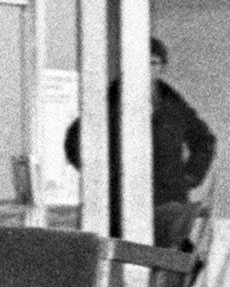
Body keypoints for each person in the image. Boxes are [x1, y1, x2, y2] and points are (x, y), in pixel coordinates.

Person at [61, 40, 221, 245]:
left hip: (169, 204)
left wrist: (191, 175)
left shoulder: (173, 105)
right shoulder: (109, 102)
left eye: (153, 63)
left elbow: (204, 141)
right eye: (141, 63)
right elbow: (75, 142)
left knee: (182, 263)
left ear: (162, 68)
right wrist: (101, 176)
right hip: (123, 206)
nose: (147, 69)